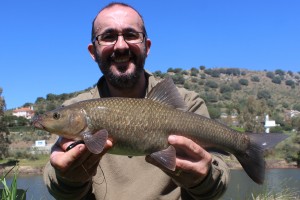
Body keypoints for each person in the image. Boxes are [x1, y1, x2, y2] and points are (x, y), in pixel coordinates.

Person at [43, 2, 230, 200]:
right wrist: (69, 180)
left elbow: (218, 182)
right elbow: (54, 180)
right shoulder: (77, 106)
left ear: (147, 46)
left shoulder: (188, 103)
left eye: (131, 35)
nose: (121, 45)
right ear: (93, 51)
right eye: (108, 37)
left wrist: (203, 179)